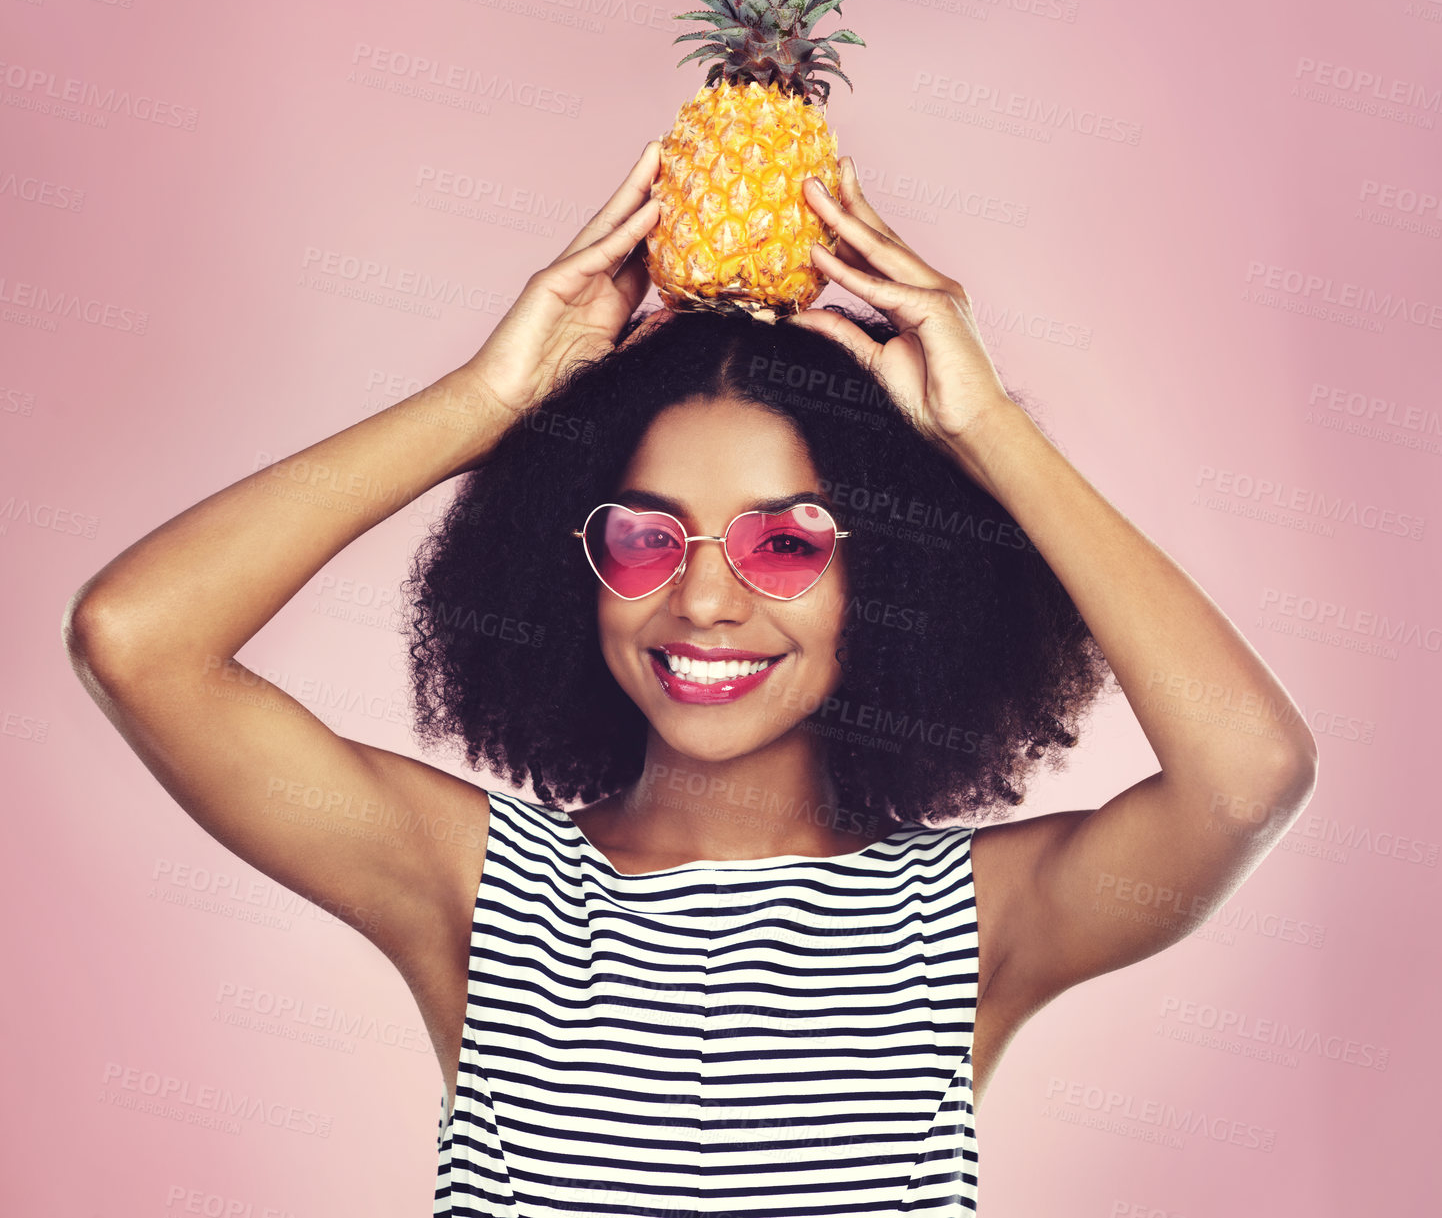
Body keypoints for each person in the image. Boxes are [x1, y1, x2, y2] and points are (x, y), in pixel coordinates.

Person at [63, 141, 1319, 1216]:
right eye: (645, 535)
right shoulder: (480, 892)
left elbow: (1246, 774)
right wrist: (487, 398)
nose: (705, 596)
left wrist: (981, 432)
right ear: (578, 563)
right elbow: (138, 635)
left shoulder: (967, 922)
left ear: (885, 581)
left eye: (785, 541)